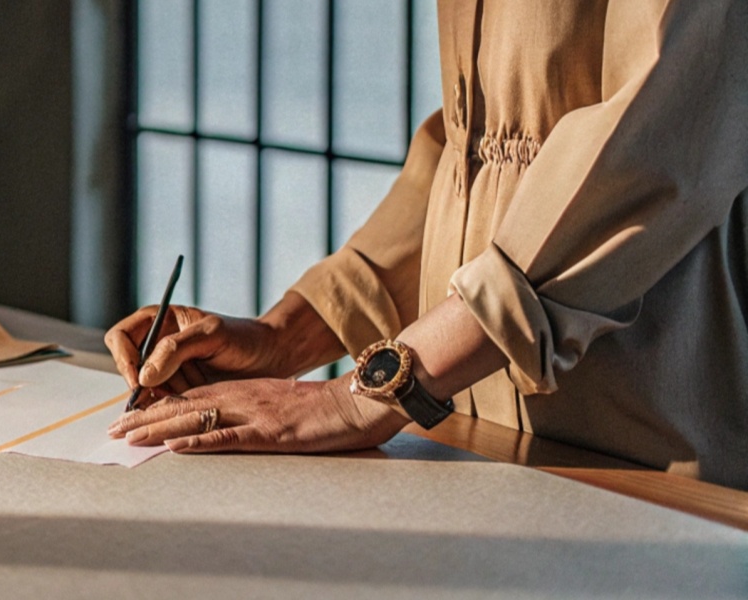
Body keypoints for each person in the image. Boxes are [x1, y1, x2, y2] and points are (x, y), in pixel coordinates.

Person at [104, 1, 748, 490]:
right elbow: (477, 150)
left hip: (648, 456)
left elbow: (656, 143)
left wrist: (367, 392)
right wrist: (285, 337)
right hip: (478, 445)